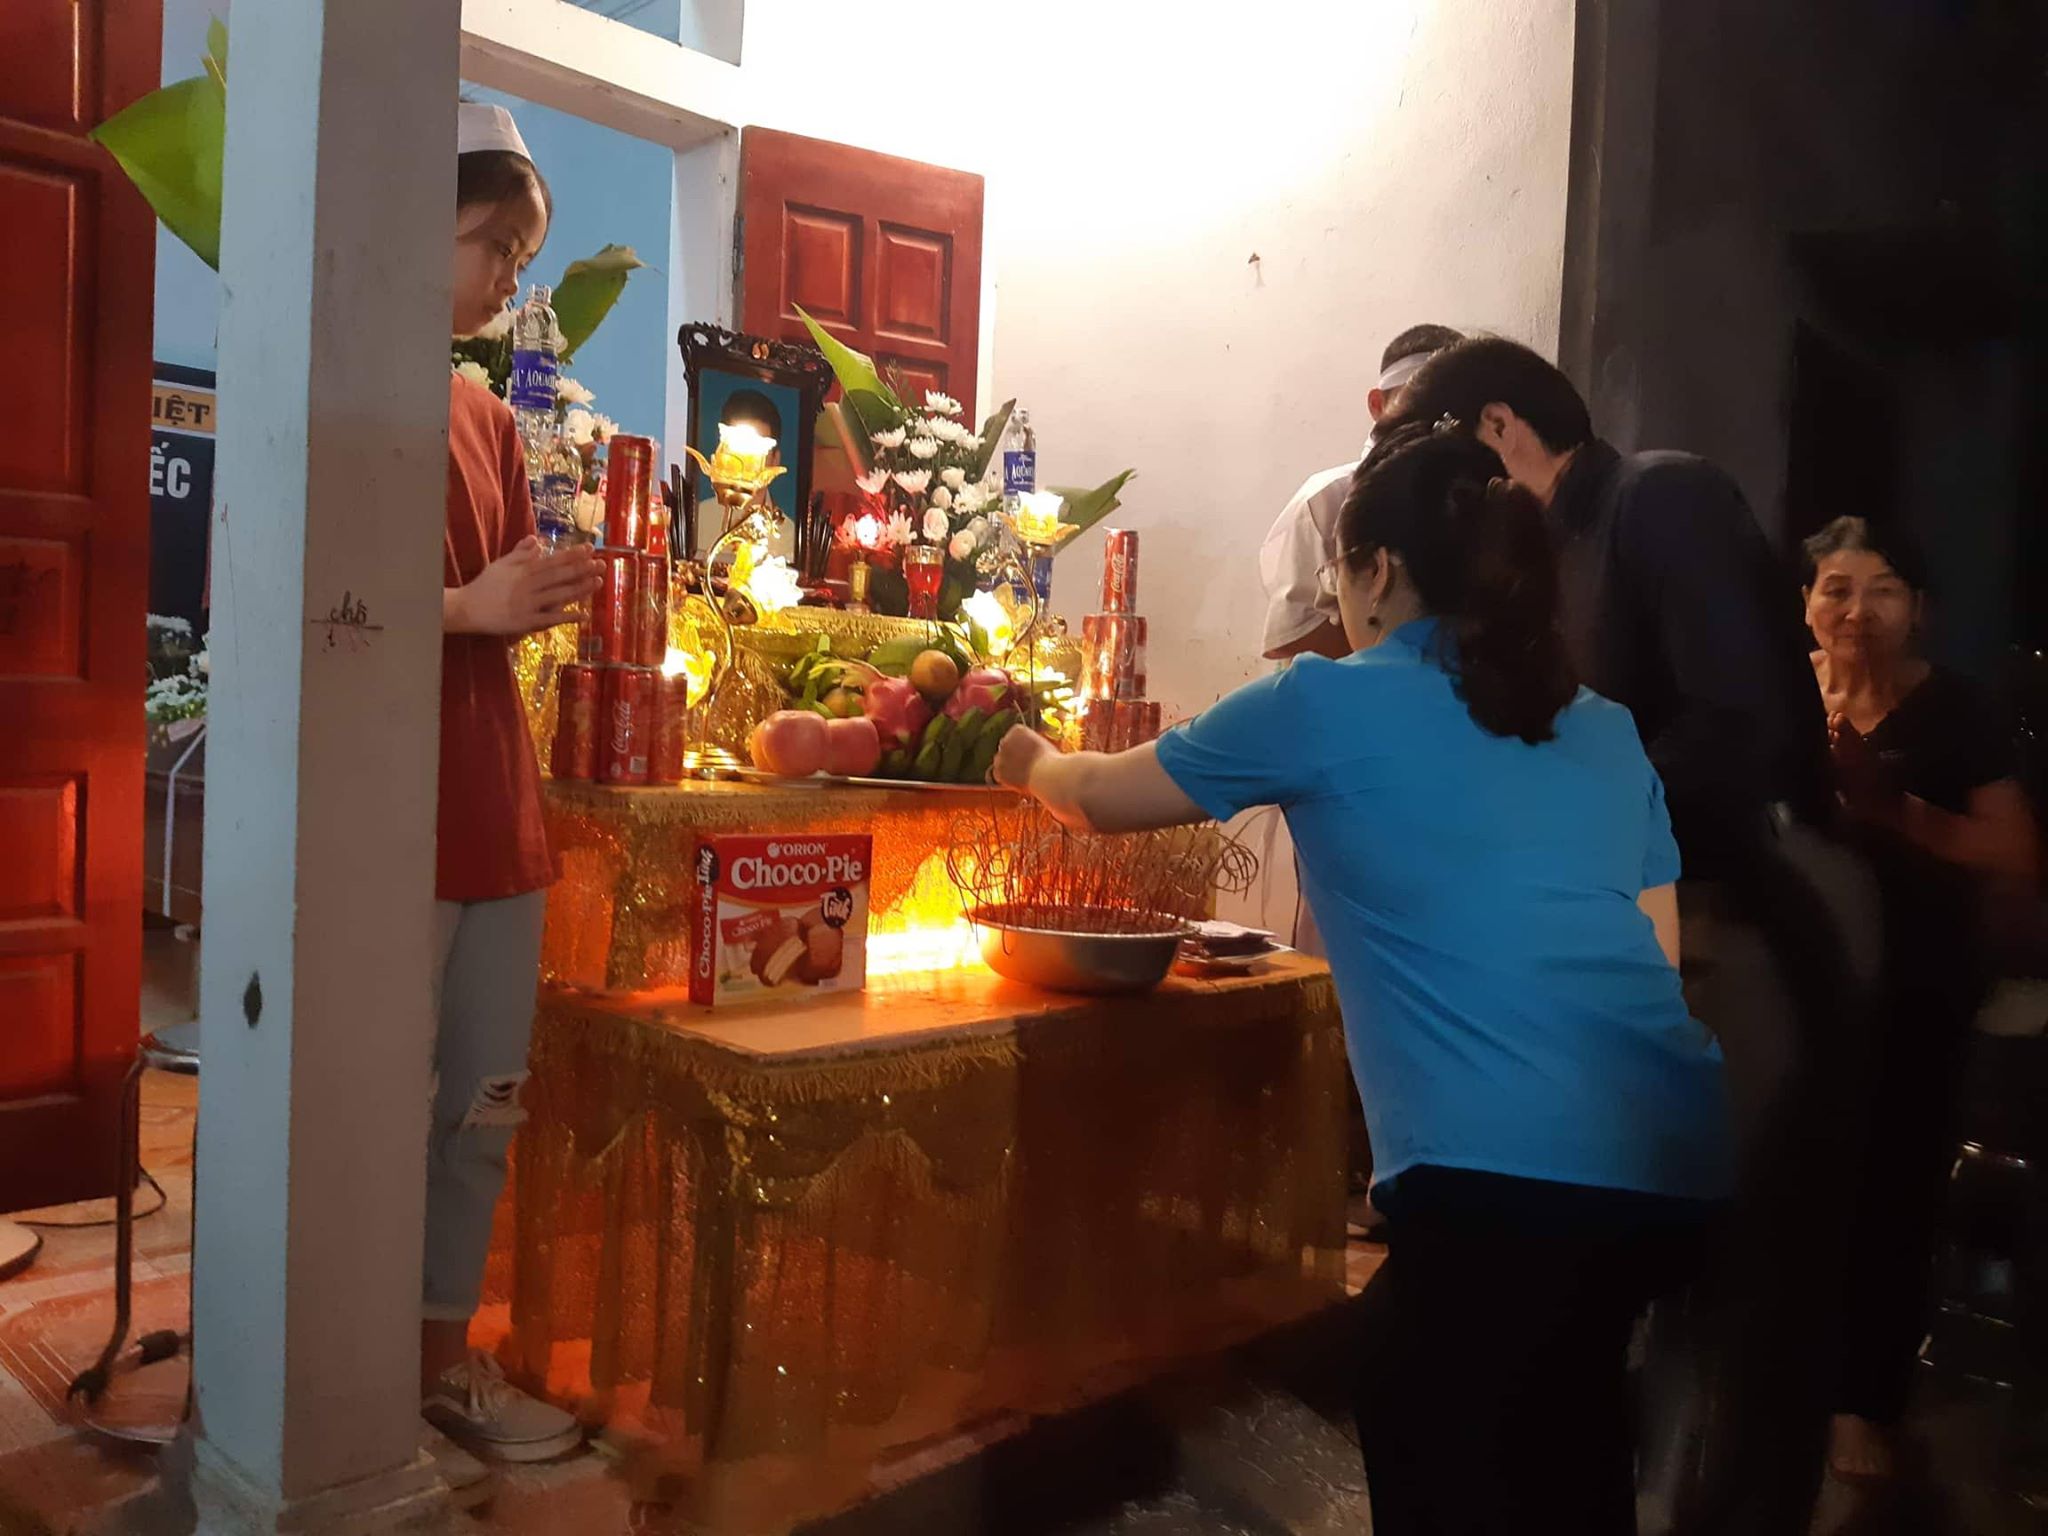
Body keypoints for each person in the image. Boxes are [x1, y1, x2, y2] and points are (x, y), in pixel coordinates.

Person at [994, 426, 1732, 1533]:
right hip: (1671, 1168)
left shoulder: (1323, 703)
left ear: (1376, 570)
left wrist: (1023, 756)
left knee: (1433, 1409)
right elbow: (1653, 956)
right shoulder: (1605, 728)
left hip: (1497, 1191)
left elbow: (1098, 799)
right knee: (1565, 1417)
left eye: (1337, 572)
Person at [1378, 338, 1870, 1535]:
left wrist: (1552, 806)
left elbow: (1743, 730)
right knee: (1618, 1302)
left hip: (1737, 924)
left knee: (1728, 1295)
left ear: (1498, 430)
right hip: (1640, 938)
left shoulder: (1661, 498)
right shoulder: (1541, 557)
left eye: (1448, 473)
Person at [423, 101, 600, 1461]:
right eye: (492, 244)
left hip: (495, 795)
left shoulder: (484, 414)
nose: (507, 281)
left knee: (484, 1103)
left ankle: (440, 1364)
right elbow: (295, 603)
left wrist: (530, 598)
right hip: (392, 808)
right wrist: (465, 608)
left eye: (520, 258)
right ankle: (337, 1380)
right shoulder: (331, 383)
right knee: (373, 1105)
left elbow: (499, 592)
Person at [1802, 516, 2039, 1482]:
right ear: (1805, 604)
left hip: (1915, 987)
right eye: (1837, 588)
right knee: (1787, 1188)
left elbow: (2014, 853)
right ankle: (1777, 1385)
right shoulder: (1778, 699)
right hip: (1797, 983)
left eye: (1884, 590)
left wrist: (1892, 811)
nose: (1857, 611)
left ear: (1921, 611)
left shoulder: (1957, 711)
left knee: (1891, 1193)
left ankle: (1863, 1404)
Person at [1257, 323, 1464, 663]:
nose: (1434, 425)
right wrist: (1402, 654)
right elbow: (1291, 638)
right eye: (1418, 406)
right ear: (1378, 404)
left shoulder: (1477, 494)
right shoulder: (1326, 499)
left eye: (1451, 414)